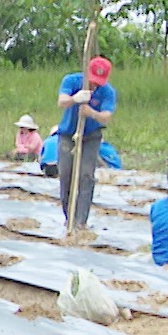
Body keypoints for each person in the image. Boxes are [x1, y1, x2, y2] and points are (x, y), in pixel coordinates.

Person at [55, 56, 118, 230]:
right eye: (92, 81)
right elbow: (61, 102)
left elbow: (106, 116)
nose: (94, 85)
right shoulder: (71, 80)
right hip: (68, 135)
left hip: (91, 136)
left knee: (86, 176)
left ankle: (81, 221)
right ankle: (69, 218)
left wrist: (91, 112)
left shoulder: (107, 91)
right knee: (66, 174)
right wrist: (75, 99)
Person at [38, 133, 119, 176]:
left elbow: (40, 158)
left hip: (49, 167)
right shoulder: (108, 146)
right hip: (114, 169)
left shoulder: (47, 141)